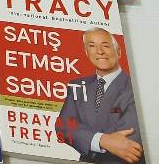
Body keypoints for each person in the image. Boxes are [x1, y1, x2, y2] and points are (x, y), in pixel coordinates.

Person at [56, 28, 144, 163]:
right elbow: (63, 127)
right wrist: (104, 140)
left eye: (106, 46)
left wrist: (83, 136)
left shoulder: (137, 87)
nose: (100, 51)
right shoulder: (77, 85)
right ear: (87, 52)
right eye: (92, 46)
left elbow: (130, 143)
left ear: (119, 52)